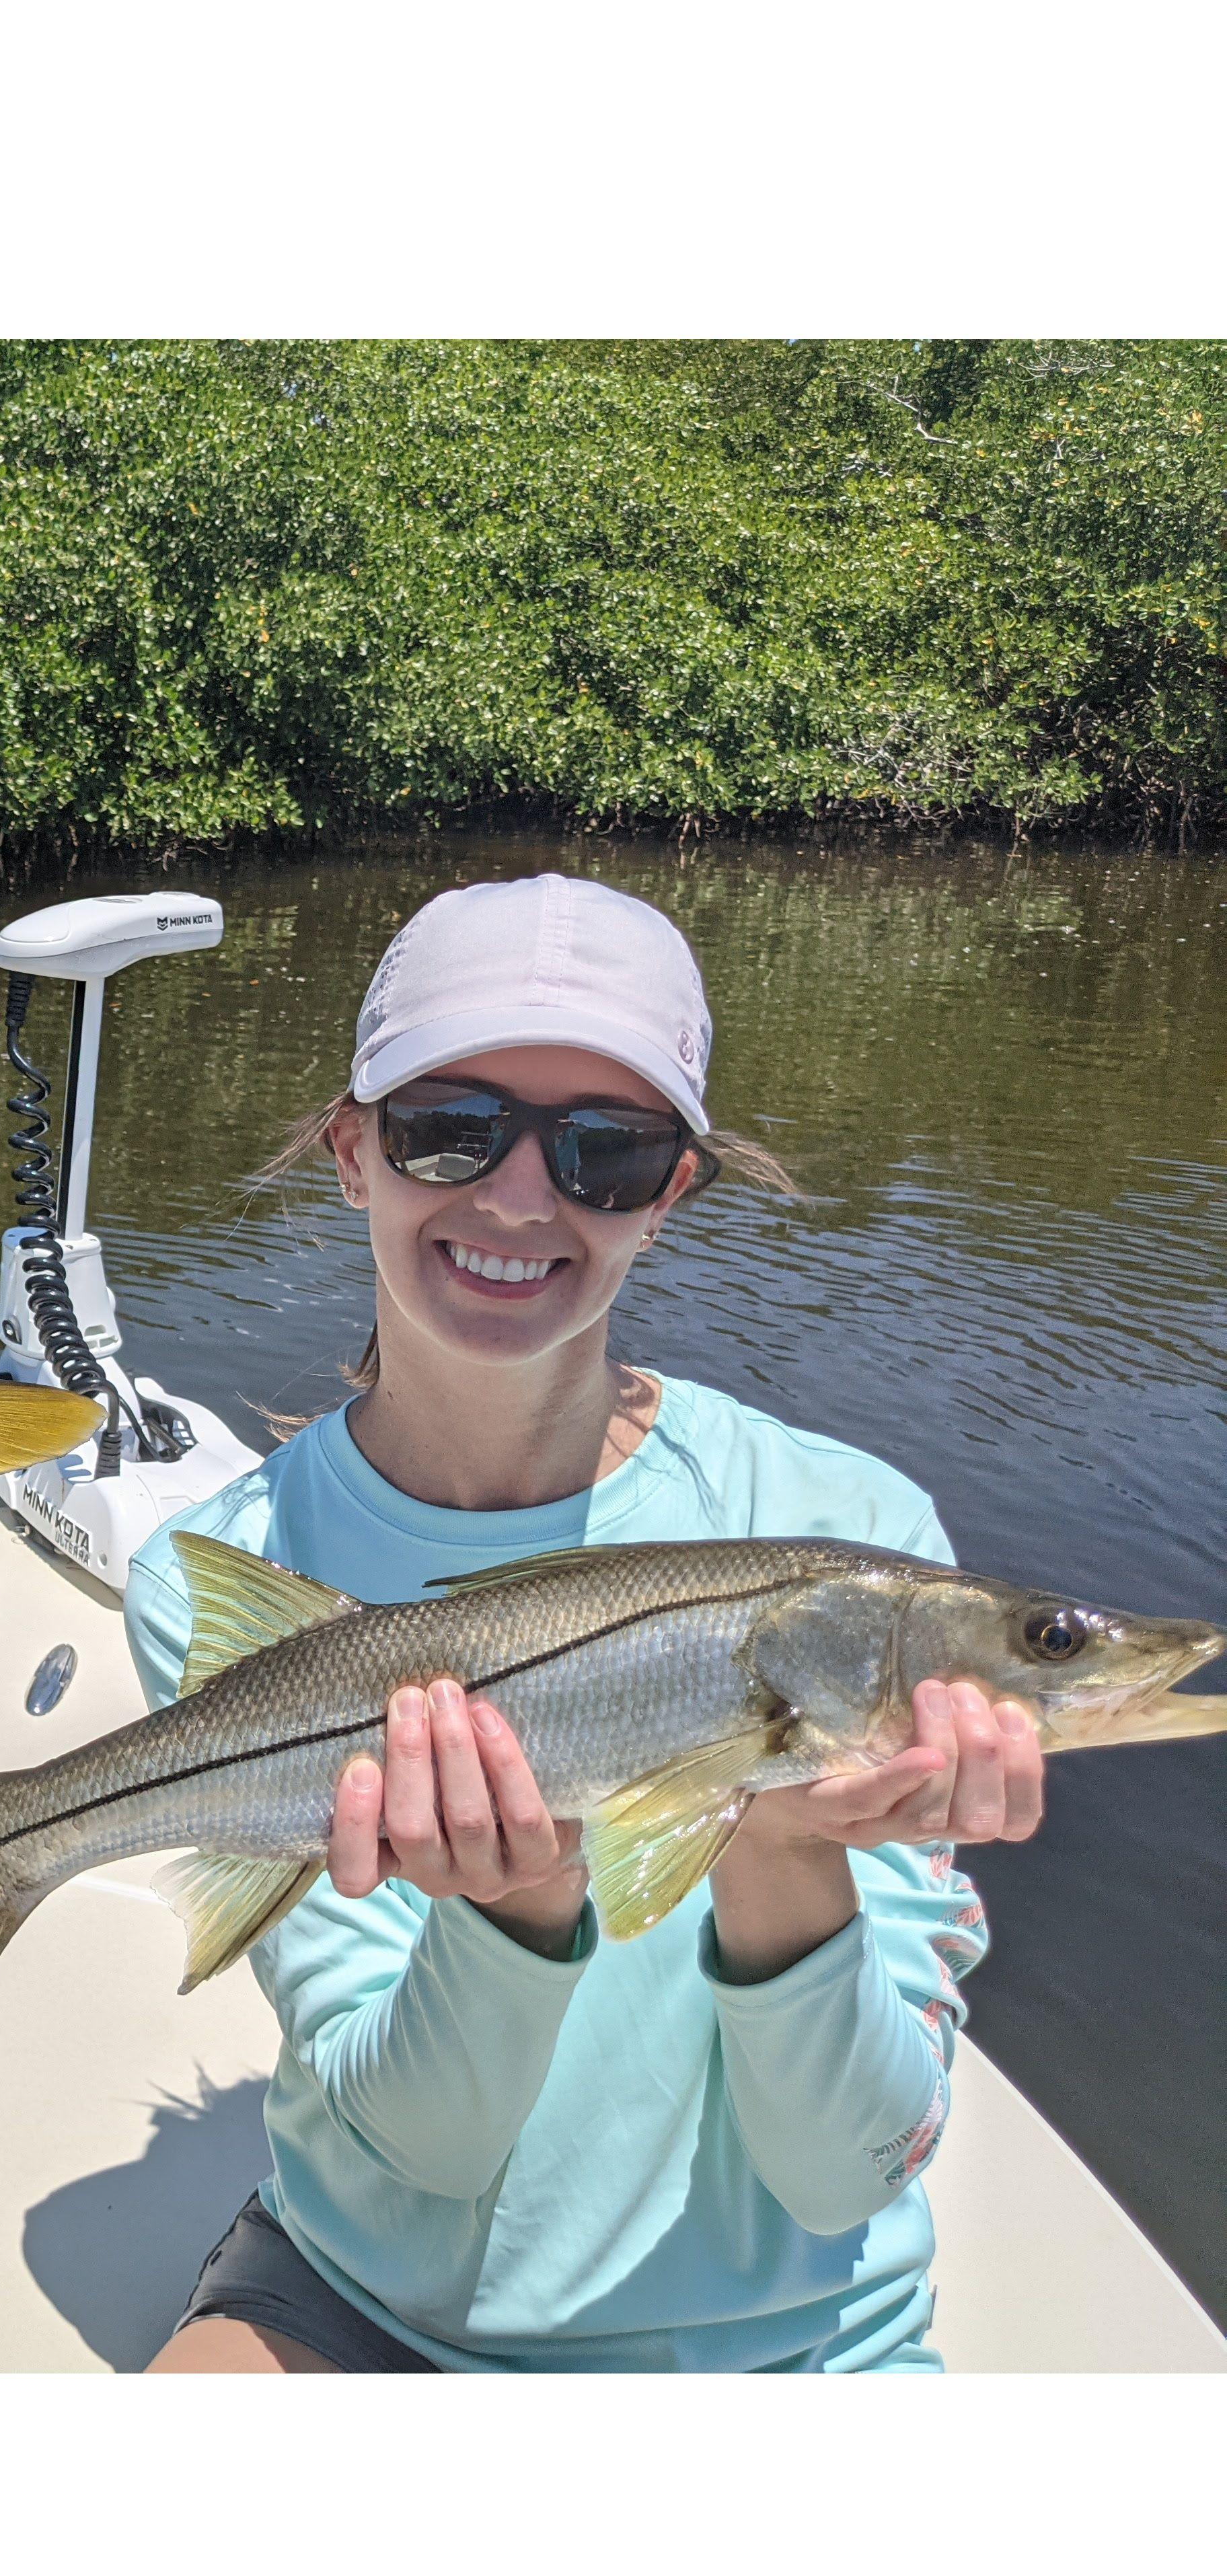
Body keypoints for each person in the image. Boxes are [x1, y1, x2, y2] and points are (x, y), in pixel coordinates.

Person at [130, 874, 1041, 2373]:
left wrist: (783, 1846)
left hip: (797, 2345)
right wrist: (518, 1908)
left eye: (603, 1152)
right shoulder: (227, 1572)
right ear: (353, 1152)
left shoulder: (858, 1536)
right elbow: (424, 2154)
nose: (515, 1198)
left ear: (670, 1192)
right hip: (365, 2294)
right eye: (449, 1128)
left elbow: (848, 2179)